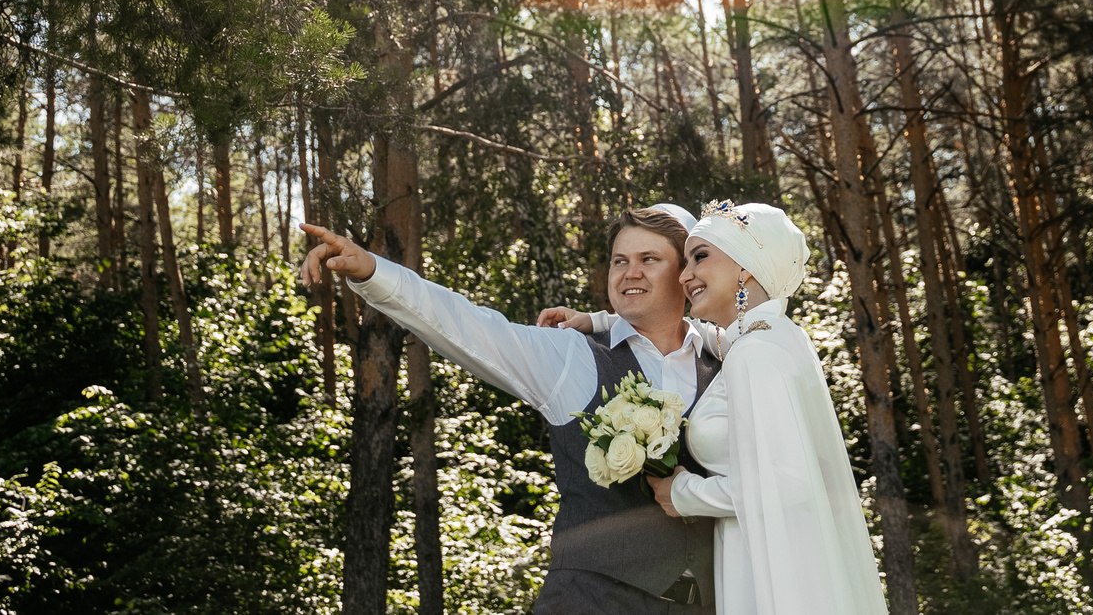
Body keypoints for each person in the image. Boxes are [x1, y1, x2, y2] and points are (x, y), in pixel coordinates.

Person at [298, 204, 718, 611]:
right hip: (589, 601)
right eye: (619, 261)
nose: (630, 273)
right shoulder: (570, 354)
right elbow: (470, 327)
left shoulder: (727, 362)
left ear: (685, 273)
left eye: (649, 259)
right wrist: (374, 271)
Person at [544, 201, 885, 615]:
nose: (685, 275)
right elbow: (685, 332)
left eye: (700, 257)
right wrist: (599, 321)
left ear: (745, 267)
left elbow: (789, 481)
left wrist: (686, 493)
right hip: (762, 546)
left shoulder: (753, 353)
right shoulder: (769, 336)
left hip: (765, 560)